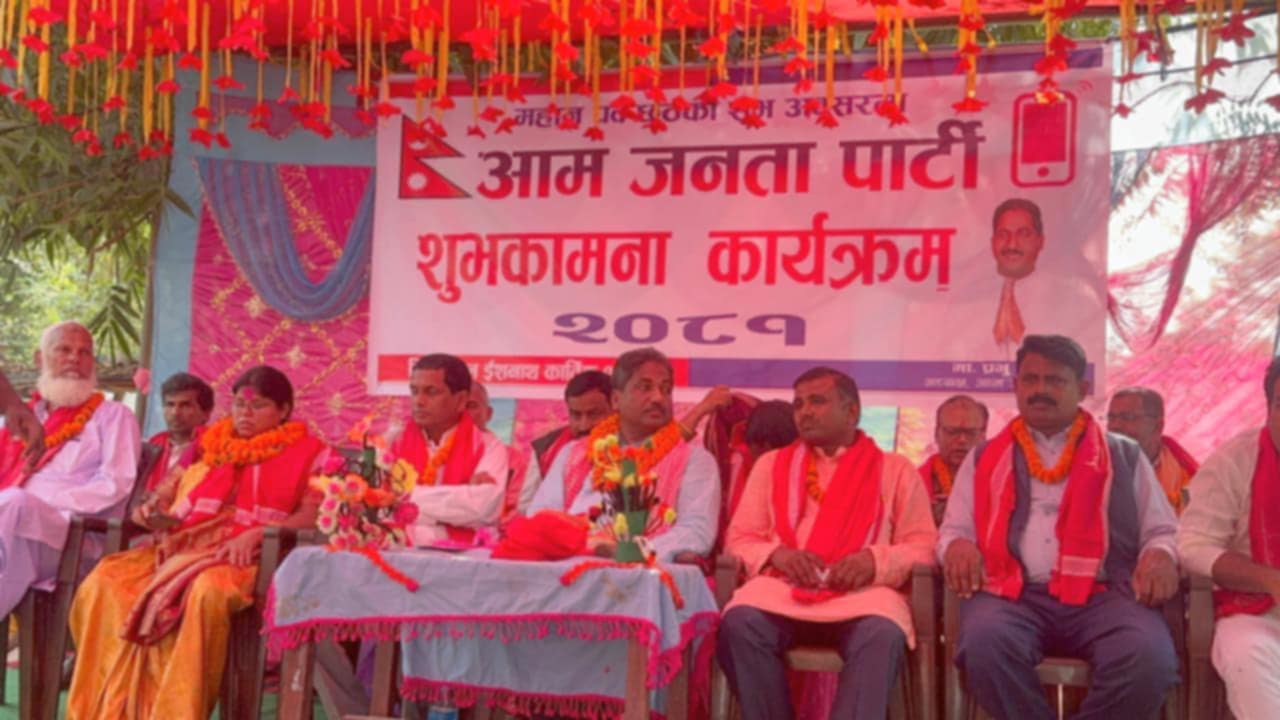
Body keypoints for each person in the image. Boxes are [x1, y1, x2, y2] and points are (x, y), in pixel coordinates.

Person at [938, 334, 1180, 720]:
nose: (1040, 390)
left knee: (1148, 658)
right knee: (984, 645)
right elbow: (954, 529)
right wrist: (958, 546)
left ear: (1081, 389)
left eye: (1055, 380)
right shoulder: (983, 457)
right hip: (1012, 594)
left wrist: (1160, 554)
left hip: (1104, 596)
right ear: (1016, 385)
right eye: (1031, 379)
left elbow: (1162, 530)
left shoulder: (1124, 454)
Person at [65, 365, 328, 720]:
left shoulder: (311, 452)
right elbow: (167, 490)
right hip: (185, 547)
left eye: (258, 406)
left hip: (252, 558)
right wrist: (152, 509)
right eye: (239, 405)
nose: (245, 414)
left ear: (284, 410)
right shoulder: (210, 444)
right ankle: (106, 708)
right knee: (105, 580)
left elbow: (312, 515)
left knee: (205, 592)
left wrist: (259, 533)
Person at [716, 367, 937, 720]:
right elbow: (739, 538)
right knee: (740, 624)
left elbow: (923, 545)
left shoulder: (895, 469)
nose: (804, 412)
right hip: (783, 591)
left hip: (862, 596)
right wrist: (779, 555)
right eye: (799, 404)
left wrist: (874, 561)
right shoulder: (771, 465)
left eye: (817, 401)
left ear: (852, 412)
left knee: (881, 635)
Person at [0, 321, 140, 619]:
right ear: (39, 359)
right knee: (10, 553)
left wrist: (39, 505)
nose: (75, 358)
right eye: (64, 350)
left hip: (71, 535)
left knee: (14, 502)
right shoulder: (24, 418)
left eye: (84, 352)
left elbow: (115, 484)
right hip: (14, 531)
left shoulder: (113, 416)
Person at [527, 347, 719, 561]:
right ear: (616, 400)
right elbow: (540, 517)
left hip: (645, 572)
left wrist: (629, 552)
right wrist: (581, 545)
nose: (658, 397)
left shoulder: (695, 461)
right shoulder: (573, 454)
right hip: (567, 564)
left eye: (666, 389)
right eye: (645, 387)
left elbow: (696, 532)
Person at [1177, 356, 1280, 718]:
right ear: (1268, 408)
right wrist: (1268, 579)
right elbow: (1194, 544)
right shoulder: (1235, 460)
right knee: (1245, 659)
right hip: (1257, 614)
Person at [386, 354, 509, 546]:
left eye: (431, 392)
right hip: (396, 553)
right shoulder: (392, 442)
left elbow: (482, 509)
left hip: (462, 559)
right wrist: (459, 500)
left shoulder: (488, 447)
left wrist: (402, 499)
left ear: (461, 400)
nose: (419, 401)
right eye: (414, 391)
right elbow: (373, 504)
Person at [513, 370, 614, 515]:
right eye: (576, 415)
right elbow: (531, 510)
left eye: (593, 414)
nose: (584, 425)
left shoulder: (631, 451)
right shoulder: (555, 450)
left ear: (616, 407)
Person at [1107, 386, 1198, 514]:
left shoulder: (1186, 478)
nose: (1115, 426)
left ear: (1157, 426)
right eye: (1111, 418)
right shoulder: (1098, 465)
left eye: (1127, 417)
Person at [919, 395, 989, 524]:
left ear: (983, 436)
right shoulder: (915, 482)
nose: (962, 440)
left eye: (970, 433)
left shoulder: (998, 480)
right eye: (952, 431)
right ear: (936, 434)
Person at [144, 372, 214, 491]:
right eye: (170, 405)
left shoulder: (216, 449)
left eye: (185, 405)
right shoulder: (153, 446)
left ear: (206, 413)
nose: (175, 413)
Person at [990, 198, 1045, 349]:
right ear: (992, 242)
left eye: (1024, 234)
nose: (1012, 244)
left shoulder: (1067, 298)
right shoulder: (971, 301)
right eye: (1003, 234)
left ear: (1040, 241)